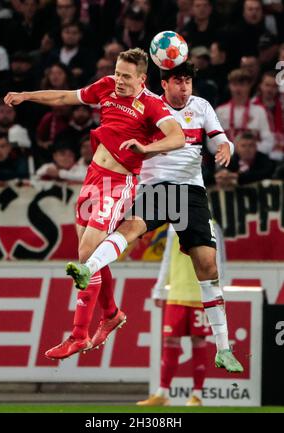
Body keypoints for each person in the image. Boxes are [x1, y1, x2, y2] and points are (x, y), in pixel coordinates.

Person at [4, 47, 185, 359]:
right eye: (117, 73)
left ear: (142, 78)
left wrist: (146, 147)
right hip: (93, 177)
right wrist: (26, 94)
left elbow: (178, 136)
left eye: (126, 77)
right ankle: (112, 312)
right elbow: (64, 98)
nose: (119, 81)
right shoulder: (105, 86)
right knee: (91, 256)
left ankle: (78, 336)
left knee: (87, 253)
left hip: (118, 183)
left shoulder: (152, 104)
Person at [71, 61, 244, 373]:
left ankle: (223, 347)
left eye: (188, 82)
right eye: (178, 81)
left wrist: (226, 147)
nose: (185, 87)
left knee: (207, 265)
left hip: (190, 191)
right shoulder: (147, 105)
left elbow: (219, 137)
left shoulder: (202, 106)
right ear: (164, 84)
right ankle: (88, 268)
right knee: (132, 227)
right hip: (155, 186)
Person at [137, 222, 225, 407]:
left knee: (198, 341)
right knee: (170, 342)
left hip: (201, 294)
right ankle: (162, 393)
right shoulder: (172, 227)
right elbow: (168, 258)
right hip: (176, 293)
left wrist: (218, 293)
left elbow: (219, 261)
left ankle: (197, 395)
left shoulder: (210, 225)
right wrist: (160, 289)